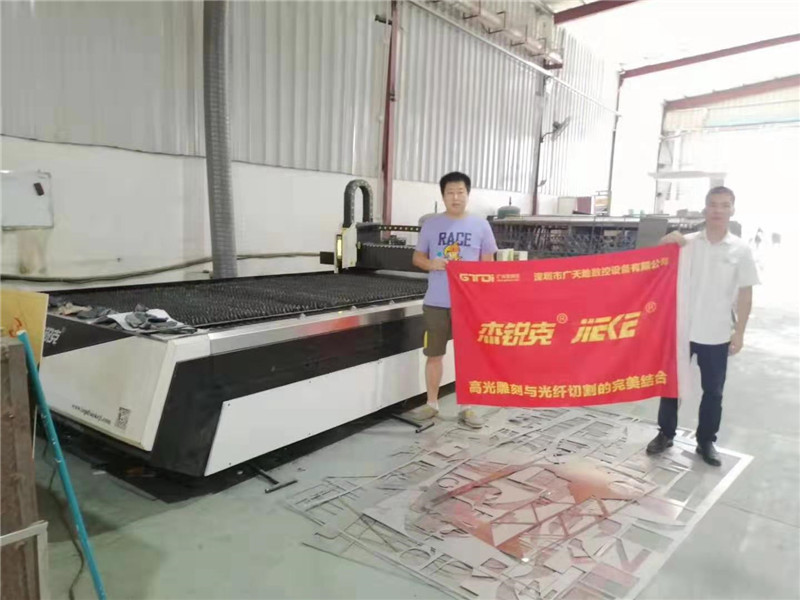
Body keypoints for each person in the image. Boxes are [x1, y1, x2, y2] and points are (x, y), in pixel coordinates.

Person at [647, 186, 759, 466]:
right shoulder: (685, 243)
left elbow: (745, 294)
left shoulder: (741, 250)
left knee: (713, 392)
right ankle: (665, 433)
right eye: (713, 204)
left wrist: (739, 332)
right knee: (671, 386)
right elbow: (655, 267)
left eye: (724, 205)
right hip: (681, 330)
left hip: (717, 332)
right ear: (705, 208)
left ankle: (706, 440)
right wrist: (664, 242)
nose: (718, 210)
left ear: (732, 209)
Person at [408, 171, 498, 429]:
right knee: (434, 354)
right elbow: (417, 258)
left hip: (467, 304)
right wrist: (431, 264)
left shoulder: (481, 226)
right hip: (436, 302)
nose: (455, 197)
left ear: (468, 194)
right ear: (443, 196)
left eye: (460, 192)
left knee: (468, 357)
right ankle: (432, 403)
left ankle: (467, 408)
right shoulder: (431, 225)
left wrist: (481, 297)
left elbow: (489, 265)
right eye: (450, 192)